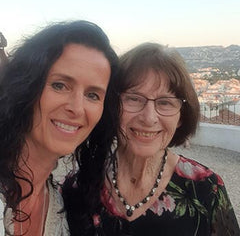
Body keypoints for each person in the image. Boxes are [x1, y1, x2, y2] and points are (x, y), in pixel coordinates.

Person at [63, 42, 240, 235]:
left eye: (165, 103)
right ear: (112, 106)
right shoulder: (78, 187)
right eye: (134, 98)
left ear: (181, 116)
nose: (148, 118)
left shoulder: (206, 190)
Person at [0, 20, 118, 236]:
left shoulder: (57, 207)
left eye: (92, 95)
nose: (77, 108)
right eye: (59, 85)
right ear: (25, 86)